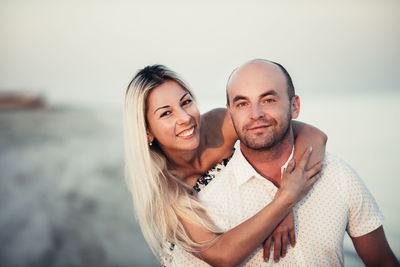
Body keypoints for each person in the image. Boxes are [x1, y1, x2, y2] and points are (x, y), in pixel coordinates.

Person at [182, 59, 398, 266]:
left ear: (294, 106)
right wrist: (284, 203)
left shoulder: (337, 175)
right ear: (230, 115)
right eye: (242, 103)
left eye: (268, 100)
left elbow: (382, 262)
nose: (255, 114)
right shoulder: (209, 204)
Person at [124, 64, 327, 266]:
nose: (185, 118)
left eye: (186, 102)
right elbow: (222, 255)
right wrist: (285, 202)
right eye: (166, 113)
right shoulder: (164, 188)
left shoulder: (218, 125)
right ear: (147, 131)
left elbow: (313, 136)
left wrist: (285, 192)